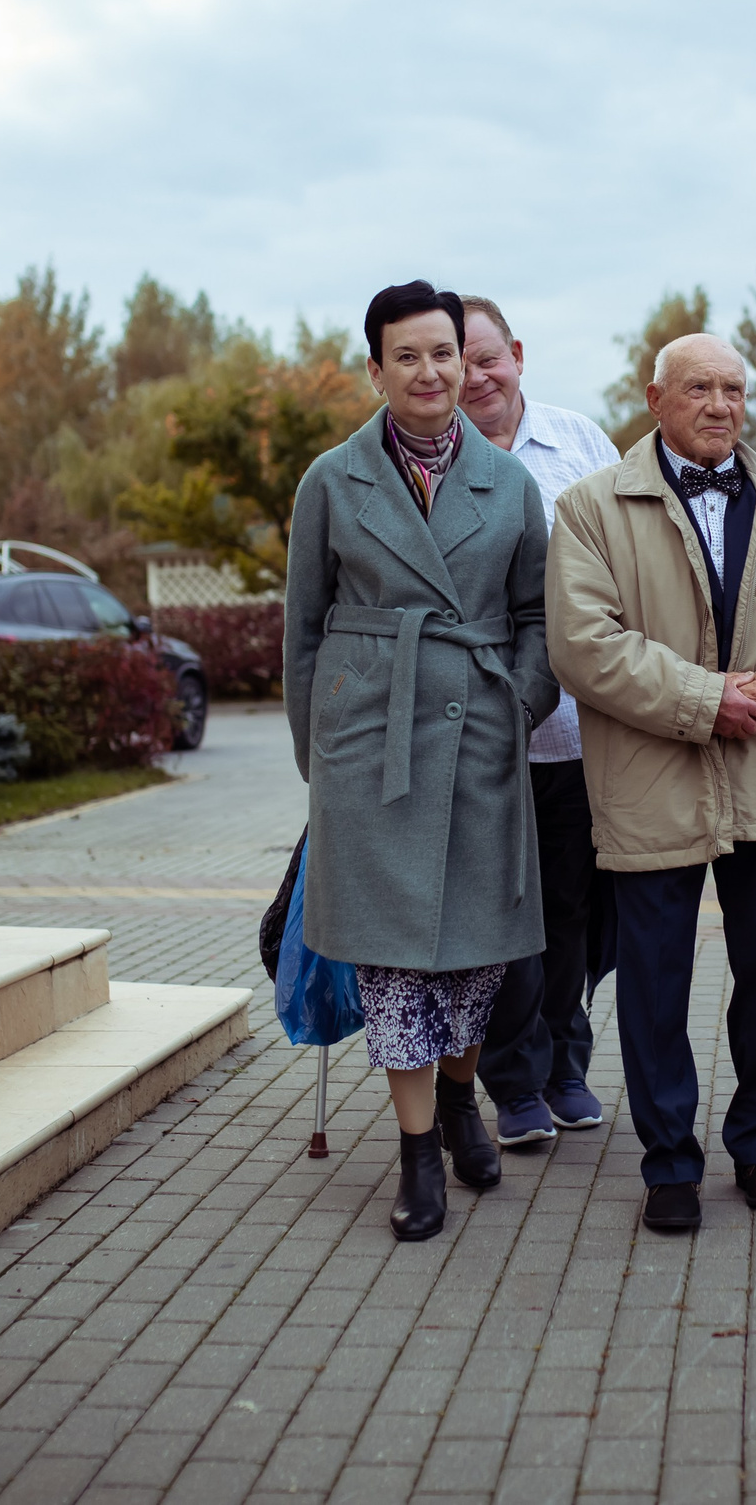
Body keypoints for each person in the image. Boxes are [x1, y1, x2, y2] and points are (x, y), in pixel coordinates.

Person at [547, 333, 756, 1233]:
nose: (720, 404)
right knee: (653, 981)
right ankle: (668, 1161)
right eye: (698, 388)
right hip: (651, 775)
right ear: (655, 398)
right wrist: (704, 698)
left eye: (732, 388)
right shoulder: (590, 507)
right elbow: (583, 643)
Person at [282, 280, 560, 1241]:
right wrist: (320, 750)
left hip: (480, 729)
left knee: (474, 957)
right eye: (407, 355)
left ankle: (456, 1098)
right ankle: (415, 1154)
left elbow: (536, 617)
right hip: (372, 744)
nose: (431, 371)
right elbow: (304, 626)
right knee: (397, 960)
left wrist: (522, 696)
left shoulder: (510, 483)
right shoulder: (332, 479)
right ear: (376, 369)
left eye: (444, 352)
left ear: (465, 357)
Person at [457, 296, 623, 1151]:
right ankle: (515, 1077)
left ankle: (566, 1059)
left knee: (574, 909)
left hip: (579, 734)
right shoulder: (430, 458)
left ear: (516, 353)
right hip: (482, 733)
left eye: (489, 357)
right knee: (501, 912)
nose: (476, 376)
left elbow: (631, 556)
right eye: (460, 361)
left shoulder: (580, 441)